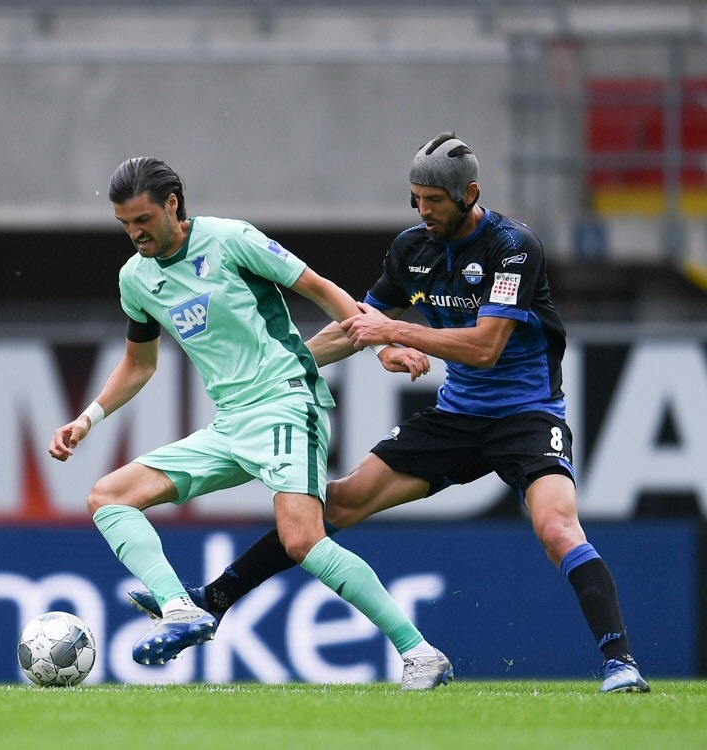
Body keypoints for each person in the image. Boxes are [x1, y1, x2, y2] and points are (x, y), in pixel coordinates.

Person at [128, 134, 651, 694]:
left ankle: (620, 664)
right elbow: (355, 326)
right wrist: (282, 370)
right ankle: (215, 599)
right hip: (457, 416)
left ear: (470, 193)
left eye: (434, 202)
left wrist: (393, 331)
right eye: (415, 200)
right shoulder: (412, 248)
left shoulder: (513, 247)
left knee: (555, 527)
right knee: (338, 502)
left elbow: (485, 347)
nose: (423, 212)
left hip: (527, 415)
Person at [49, 157, 452, 690]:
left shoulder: (230, 239)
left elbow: (320, 288)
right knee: (108, 497)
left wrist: (383, 342)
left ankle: (420, 653)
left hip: (287, 402)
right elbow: (139, 365)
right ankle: (181, 610)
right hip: (231, 422)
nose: (135, 233)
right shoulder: (136, 279)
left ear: (172, 204)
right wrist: (88, 417)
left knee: (302, 539)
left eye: (143, 219)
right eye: (125, 223)